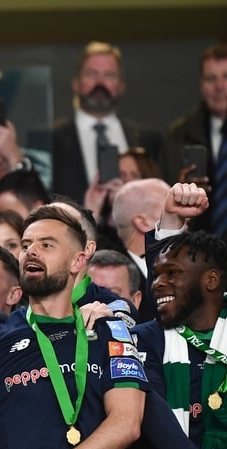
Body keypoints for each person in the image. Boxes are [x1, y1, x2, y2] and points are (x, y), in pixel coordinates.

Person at [0, 205, 147, 448]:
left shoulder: (111, 332)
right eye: (25, 245)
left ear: (77, 261)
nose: (31, 251)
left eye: (46, 245)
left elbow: (126, 422)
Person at [133, 231, 227, 448]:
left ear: (211, 281)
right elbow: (155, 422)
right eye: (156, 275)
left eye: (172, 273)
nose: (157, 284)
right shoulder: (143, 340)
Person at [52, 41, 161, 203]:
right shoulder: (52, 139)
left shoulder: (149, 140)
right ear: (76, 84)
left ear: (121, 86)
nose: (100, 83)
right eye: (91, 74)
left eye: (109, 75)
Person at [158, 44, 227, 238]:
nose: (219, 86)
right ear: (201, 84)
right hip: (195, 248)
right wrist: (179, 189)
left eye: (226, 77)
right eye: (211, 78)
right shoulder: (178, 135)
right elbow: (161, 197)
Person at [111, 178, 170, 321]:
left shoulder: (191, 264)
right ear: (143, 222)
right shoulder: (108, 274)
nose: (185, 217)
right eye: (171, 209)